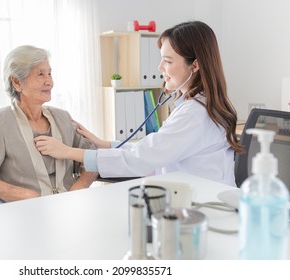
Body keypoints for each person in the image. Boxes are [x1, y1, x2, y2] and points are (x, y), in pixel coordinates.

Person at [34, 21, 244, 187]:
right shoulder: (194, 105)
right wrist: (105, 144)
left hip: (206, 208)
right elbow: (155, 148)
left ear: (195, 65)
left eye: (168, 61)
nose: (160, 67)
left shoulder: (195, 114)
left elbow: (142, 158)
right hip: (196, 199)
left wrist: (67, 152)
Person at [0, 45, 98, 202]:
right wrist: (27, 195)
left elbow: (93, 159)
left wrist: (77, 190)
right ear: (16, 82)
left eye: (50, 73)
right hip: (25, 215)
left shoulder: (63, 118)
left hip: (71, 208)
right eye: (40, 74)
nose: (49, 81)